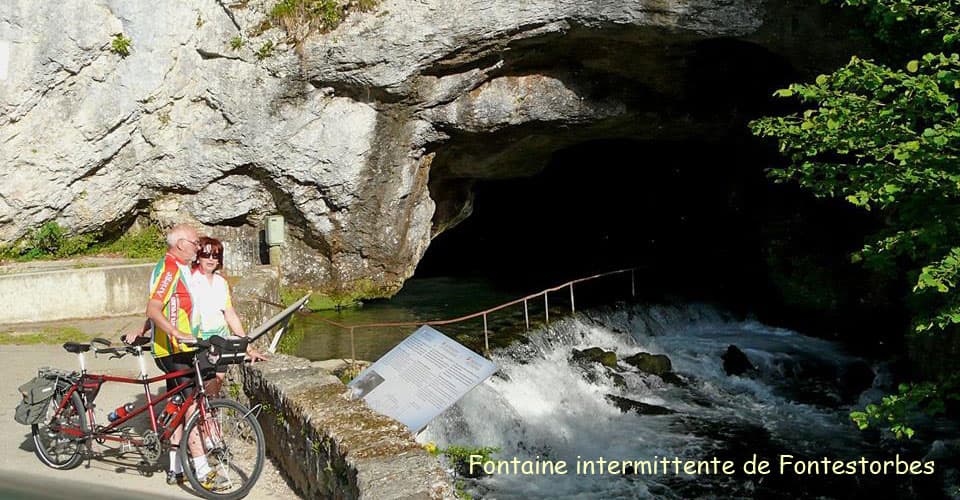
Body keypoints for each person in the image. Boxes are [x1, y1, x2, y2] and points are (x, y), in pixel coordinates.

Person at [124, 224, 225, 490]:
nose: (198, 247)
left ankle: (175, 467)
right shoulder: (169, 269)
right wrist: (175, 332)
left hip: (182, 348)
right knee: (191, 404)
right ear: (180, 244)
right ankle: (203, 471)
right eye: (194, 243)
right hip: (172, 349)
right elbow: (154, 308)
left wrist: (144, 328)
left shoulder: (180, 268)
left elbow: (165, 307)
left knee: (180, 403)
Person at [190, 236, 266, 397]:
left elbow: (230, 315)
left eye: (215, 256)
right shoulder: (190, 280)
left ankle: (202, 421)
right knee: (204, 391)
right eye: (206, 254)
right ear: (198, 257)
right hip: (201, 341)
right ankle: (199, 421)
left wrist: (248, 348)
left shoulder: (220, 283)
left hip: (221, 342)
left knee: (214, 388)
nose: (211, 259)